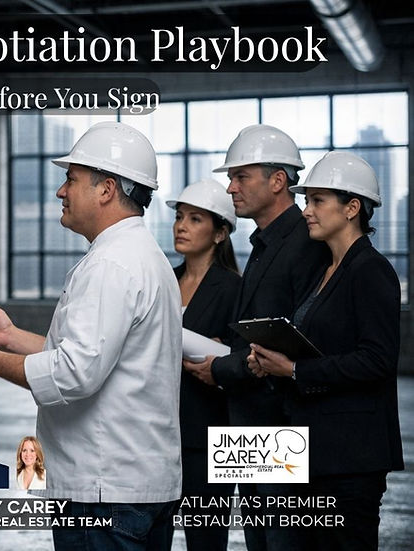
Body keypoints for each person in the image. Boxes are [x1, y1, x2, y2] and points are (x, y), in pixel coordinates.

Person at [0, 122, 182, 550]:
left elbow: (74, 374)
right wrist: (10, 338)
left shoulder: (112, 265)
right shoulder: (140, 256)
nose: (60, 191)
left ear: (106, 189)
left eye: (71, 179)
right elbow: (92, 355)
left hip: (104, 496)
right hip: (134, 486)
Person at [247, 151, 403, 550]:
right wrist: (273, 358)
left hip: (351, 458)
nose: (306, 212)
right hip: (312, 449)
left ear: (352, 208)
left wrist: (294, 371)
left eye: (317, 201)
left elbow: (377, 360)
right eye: (306, 201)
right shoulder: (323, 270)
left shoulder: (371, 270)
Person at [181, 124, 327, 551]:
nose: (230, 187)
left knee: (281, 540)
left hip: (278, 421)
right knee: (260, 539)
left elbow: (292, 341)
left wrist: (221, 368)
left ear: (278, 181)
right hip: (248, 421)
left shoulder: (304, 242)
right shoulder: (265, 244)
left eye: (241, 176)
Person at [165, 180, 240, 551]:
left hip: (210, 430)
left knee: (206, 537)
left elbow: (245, 356)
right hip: (161, 429)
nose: (181, 225)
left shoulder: (233, 288)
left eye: (195, 219)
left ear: (220, 233)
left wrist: (226, 353)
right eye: (179, 217)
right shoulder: (164, 279)